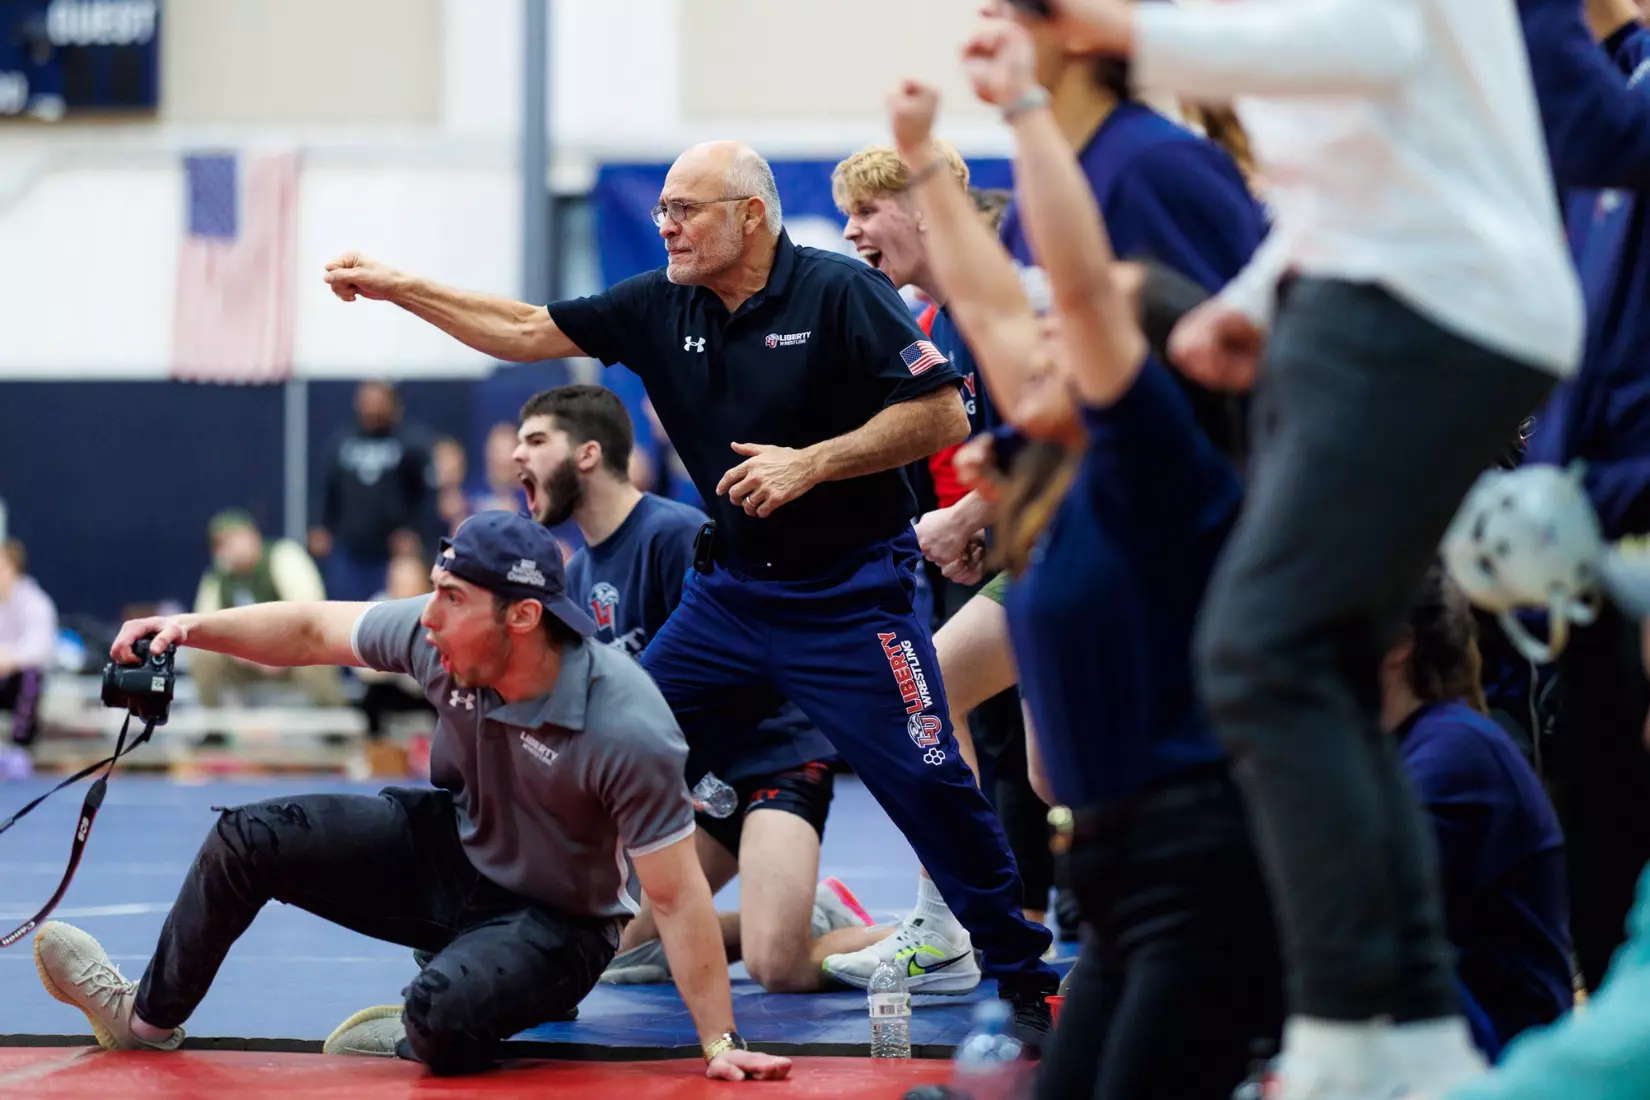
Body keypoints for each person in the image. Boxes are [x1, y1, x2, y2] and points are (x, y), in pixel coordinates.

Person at [321, 138, 1061, 1039]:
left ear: (751, 216)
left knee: (933, 785)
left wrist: (812, 465)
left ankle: (1024, 982)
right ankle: (486, 942)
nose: (664, 223)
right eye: (662, 207)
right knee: (585, 747)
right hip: (731, 599)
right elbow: (521, 330)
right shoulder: (659, 305)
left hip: (853, 599)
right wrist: (402, 285)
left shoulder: (840, 292)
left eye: (686, 208)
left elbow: (943, 411)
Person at [1032, 0, 1588, 1092]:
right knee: (1305, 662)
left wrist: (1130, 35)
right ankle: (1408, 1022)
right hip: (1385, 290)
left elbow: (1371, 48)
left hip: (1442, 300)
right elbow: (1349, 169)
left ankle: (1354, 1020)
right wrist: (1253, 292)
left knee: (1260, 651)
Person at [30, 511, 790, 1083]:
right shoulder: (439, 636)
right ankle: (144, 1019)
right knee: (248, 838)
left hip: (559, 921)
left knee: (442, 1019)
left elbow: (679, 897)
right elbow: (306, 628)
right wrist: (191, 630)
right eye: (434, 590)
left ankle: (423, 1015)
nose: (428, 615)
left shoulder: (626, 722)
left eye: (451, 598)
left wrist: (720, 1045)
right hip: (454, 848)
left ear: (521, 617)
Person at [888, 16, 1284, 1098]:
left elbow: (1072, 286)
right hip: (1114, 881)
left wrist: (1026, 109)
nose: (1034, 347)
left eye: (1072, 331)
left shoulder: (1158, 466)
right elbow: (1001, 312)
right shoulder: (1069, 475)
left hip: (1197, 872)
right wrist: (925, 156)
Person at [511, 383, 889, 993]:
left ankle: (952, 943)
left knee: (778, 967)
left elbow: (749, 663)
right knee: (611, 945)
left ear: (586, 453)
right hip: (702, 785)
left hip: (773, 760)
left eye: (534, 441)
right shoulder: (578, 574)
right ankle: (807, 908)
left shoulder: (675, 535)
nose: (515, 458)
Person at [821, 139, 1030, 990]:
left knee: (938, 693)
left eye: (865, 211)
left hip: (1113, 553)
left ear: (920, 208)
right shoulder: (945, 318)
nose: (851, 230)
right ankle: (951, 927)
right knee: (958, 712)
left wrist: (975, 513)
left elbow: (1077, 432)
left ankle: (953, 929)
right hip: (1042, 550)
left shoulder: (996, 299)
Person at [1379, 564, 1573, 1061]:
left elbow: (1355, 907)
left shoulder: (1456, 751)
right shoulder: (1410, 750)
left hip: (1506, 1067)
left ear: (1399, 646)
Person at [190, 509, 347, 710]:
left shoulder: (282, 556)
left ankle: (333, 720)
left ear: (252, 536)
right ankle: (212, 726)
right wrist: (244, 652)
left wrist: (277, 650)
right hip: (243, 658)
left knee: (318, 646)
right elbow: (204, 626)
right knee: (204, 655)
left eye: (233, 539)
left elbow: (310, 611)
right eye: (221, 543)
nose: (228, 549)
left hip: (291, 653)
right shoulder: (218, 576)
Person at [309, 380, 438, 602]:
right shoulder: (342, 441)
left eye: (379, 402)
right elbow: (329, 487)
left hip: (392, 550)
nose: (372, 408)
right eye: (367, 402)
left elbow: (425, 495)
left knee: (390, 607)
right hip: (349, 546)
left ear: (393, 405)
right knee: (344, 605)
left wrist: (413, 531)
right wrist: (322, 525)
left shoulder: (411, 443)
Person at [0, 537, 55, 779]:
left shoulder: (36, 602)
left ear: (13, 569)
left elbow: (38, 651)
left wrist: (9, 658)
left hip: (17, 681)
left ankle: (18, 749)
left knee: (30, 675)